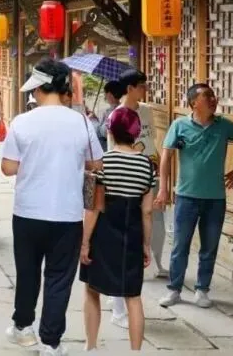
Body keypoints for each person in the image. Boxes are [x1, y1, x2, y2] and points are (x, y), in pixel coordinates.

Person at [0, 58, 103, 356]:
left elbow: (8, 167)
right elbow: (96, 163)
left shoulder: (23, 121)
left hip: (28, 211)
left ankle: (23, 326)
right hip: (67, 214)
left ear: (40, 88)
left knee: (28, 271)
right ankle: (51, 342)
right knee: (59, 279)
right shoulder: (81, 122)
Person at [155, 83, 233, 309]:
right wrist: (163, 189)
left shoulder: (224, 126)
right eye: (207, 96)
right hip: (186, 196)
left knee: (209, 247)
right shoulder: (179, 125)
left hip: (215, 199)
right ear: (194, 103)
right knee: (180, 246)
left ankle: (202, 290)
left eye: (213, 95)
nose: (213, 99)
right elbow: (166, 157)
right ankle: (174, 290)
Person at [79, 106, 155, 351]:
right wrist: (146, 244)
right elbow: (147, 211)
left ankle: (91, 346)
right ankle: (135, 352)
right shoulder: (147, 165)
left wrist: (84, 242)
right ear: (136, 133)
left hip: (103, 232)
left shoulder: (103, 163)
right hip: (131, 233)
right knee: (133, 296)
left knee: (92, 290)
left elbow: (94, 207)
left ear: (110, 131)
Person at [107, 70, 167, 326]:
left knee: (155, 221)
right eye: (142, 86)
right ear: (130, 88)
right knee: (125, 244)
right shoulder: (116, 115)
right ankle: (118, 305)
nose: (145, 90)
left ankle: (156, 261)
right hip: (126, 179)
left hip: (148, 171)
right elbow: (113, 149)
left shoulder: (147, 111)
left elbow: (152, 141)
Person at [89, 80, 126, 152]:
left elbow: (105, 132)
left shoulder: (113, 112)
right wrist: (96, 119)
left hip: (110, 148)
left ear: (109, 94)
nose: (105, 96)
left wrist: (94, 121)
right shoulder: (123, 109)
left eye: (105, 93)